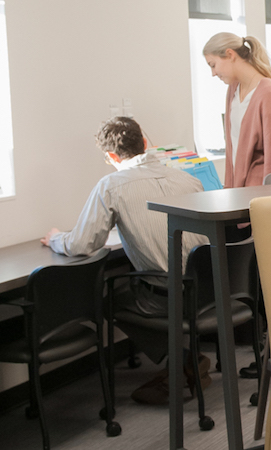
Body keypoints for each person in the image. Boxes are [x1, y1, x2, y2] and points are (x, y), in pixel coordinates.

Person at [41, 117, 210, 404]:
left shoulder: (111, 186)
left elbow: (83, 244)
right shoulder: (189, 179)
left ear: (110, 157)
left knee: (108, 298)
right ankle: (185, 360)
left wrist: (56, 237)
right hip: (209, 291)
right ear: (145, 143)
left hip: (169, 297)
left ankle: (182, 360)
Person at [203, 32, 271, 188]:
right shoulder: (233, 90)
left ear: (230, 54)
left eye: (213, 65)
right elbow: (233, 149)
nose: (213, 73)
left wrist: (270, 203)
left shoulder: (268, 94)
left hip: (259, 195)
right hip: (238, 192)